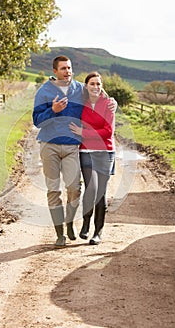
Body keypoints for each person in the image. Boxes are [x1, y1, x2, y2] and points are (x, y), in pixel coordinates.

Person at [33, 56, 116, 247]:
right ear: (55, 71)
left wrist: (113, 102)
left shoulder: (79, 89)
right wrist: (52, 110)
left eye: (69, 68)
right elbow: (37, 120)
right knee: (54, 190)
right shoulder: (44, 91)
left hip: (72, 147)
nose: (67, 71)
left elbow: (98, 92)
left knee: (74, 189)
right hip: (49, 145)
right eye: (63, 68)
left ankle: (69, 222)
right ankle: (60, 234)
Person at [69, 72, 116, 245]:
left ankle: (98, 232)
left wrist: (84, 133)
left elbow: (107, 131)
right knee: (91, 188)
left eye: (98, 84)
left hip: (105, 153)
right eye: (92, 84)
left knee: (101, 193)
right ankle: (86, 222)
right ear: (86, 86)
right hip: (86, 152)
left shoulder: (108, 104)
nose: (96, 87)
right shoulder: (82, 104)